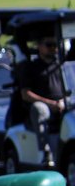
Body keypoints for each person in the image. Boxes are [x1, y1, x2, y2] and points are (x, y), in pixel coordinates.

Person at [18, 35, 66, 163]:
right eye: (49, 45)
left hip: (62, 104)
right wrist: (51, 104)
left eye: (55, 45)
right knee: (40, 109)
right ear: (39, 46)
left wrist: (62, 102)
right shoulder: (30, 67)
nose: (53, 48)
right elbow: (25, 94)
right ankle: (46, 153)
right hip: (42, 107)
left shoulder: (61, 66)